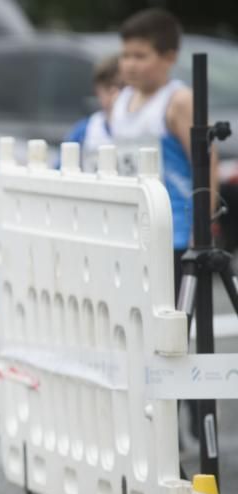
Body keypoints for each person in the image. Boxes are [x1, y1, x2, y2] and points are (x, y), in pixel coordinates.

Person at [111, 7, 213, 292]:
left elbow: (206, 163)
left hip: (174, 232)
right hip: (132, 231)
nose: (129, 64)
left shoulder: (178, 101)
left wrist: (201, 228)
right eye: (125, 55)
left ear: (169, 57)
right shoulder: (122, 99)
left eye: (140, 56)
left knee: (173, 322)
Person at [64, 55, 121, 172]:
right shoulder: (84, 131)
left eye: (122, 87)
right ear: (97, 90)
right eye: (107, 87)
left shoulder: (143, 127)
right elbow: (62, 169)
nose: (114, 93)